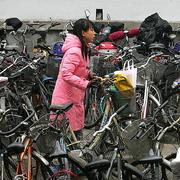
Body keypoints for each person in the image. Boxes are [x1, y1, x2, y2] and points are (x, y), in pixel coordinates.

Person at [51, 18, 97, 140]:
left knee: (74, 136)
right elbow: (66, 73)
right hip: (66, 100)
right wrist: (85, 83)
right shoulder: (75, 51)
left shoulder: (83, 49)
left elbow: (80, 69)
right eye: (91, 30)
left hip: (74, 98)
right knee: (69, 139)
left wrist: (89, 74)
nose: (94, 33)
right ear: (83, 33)